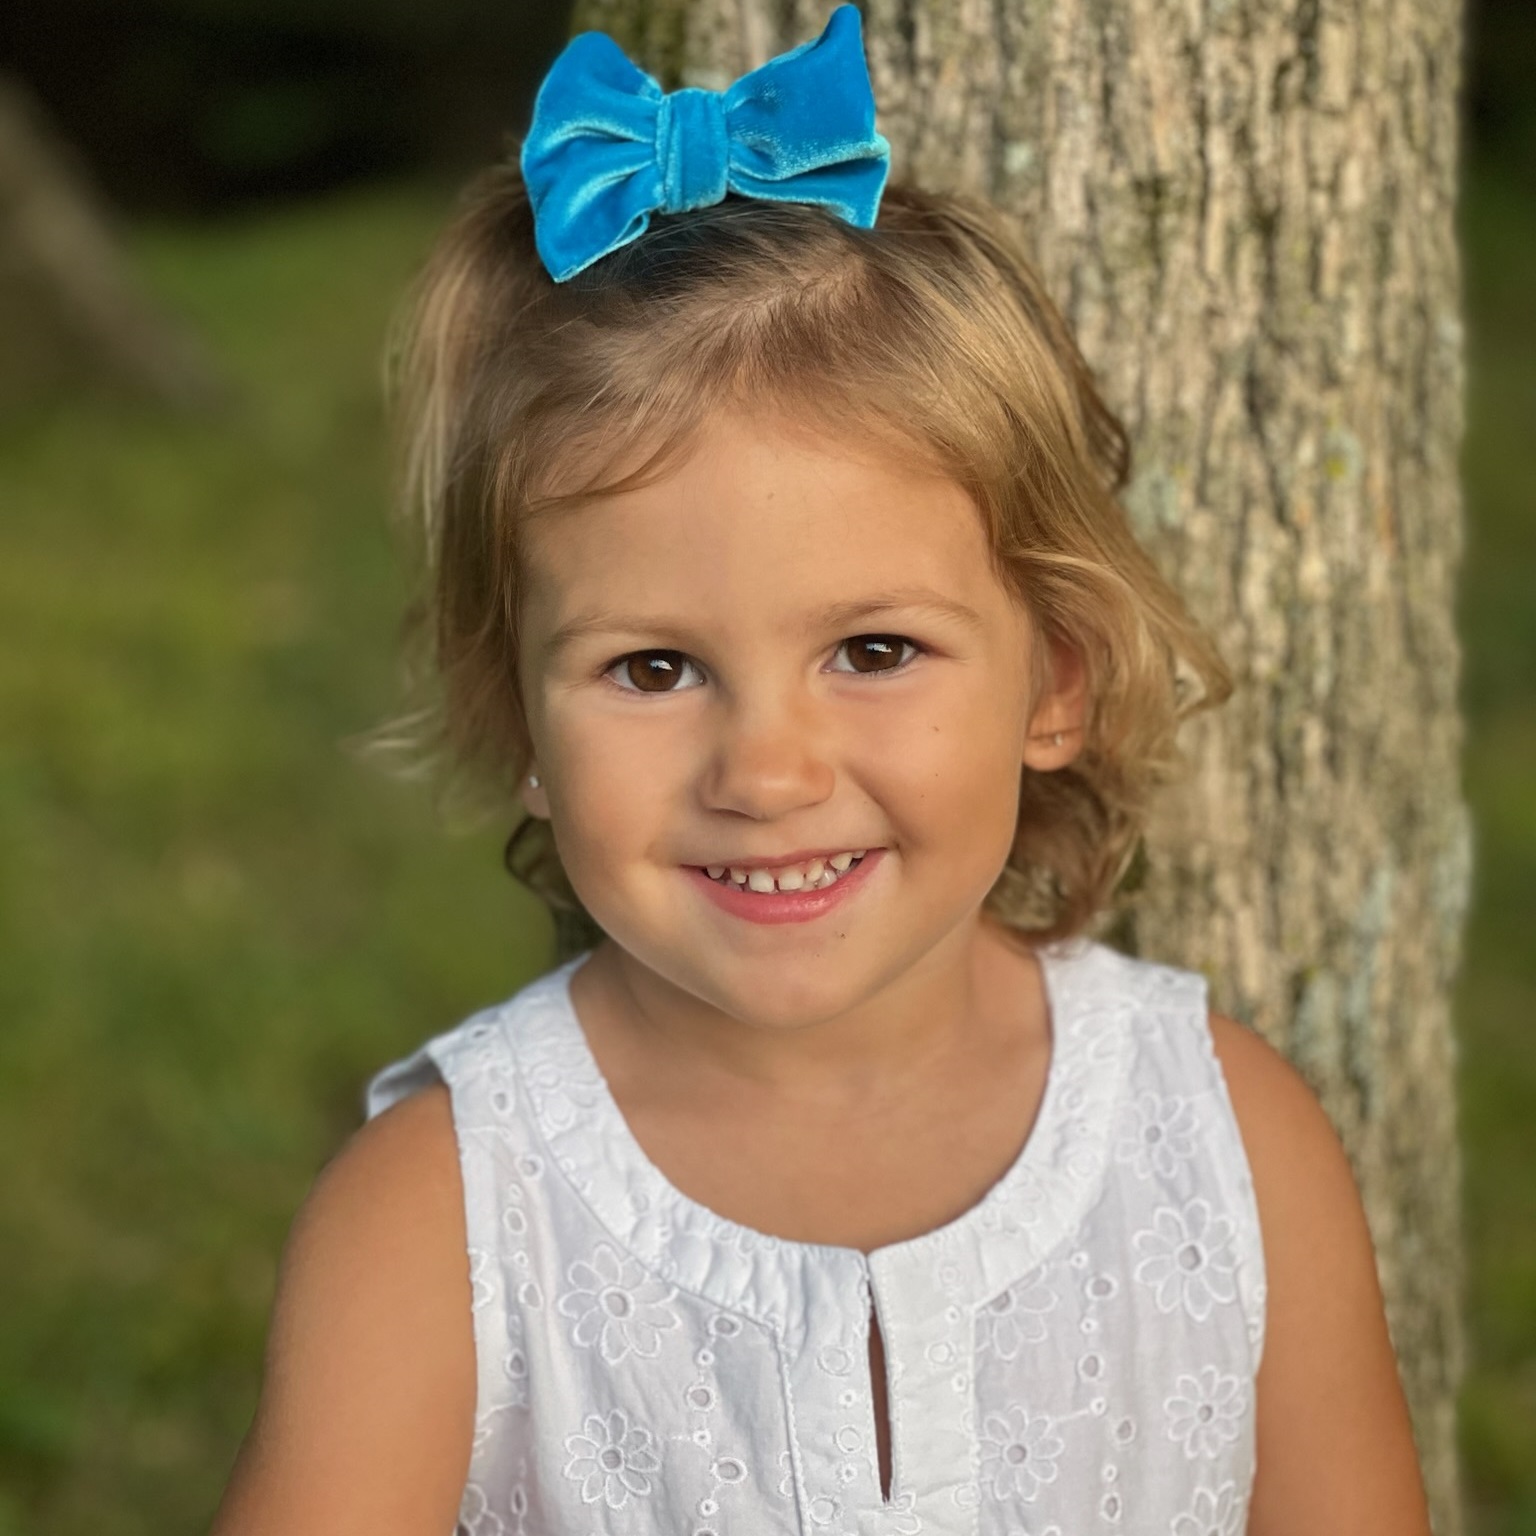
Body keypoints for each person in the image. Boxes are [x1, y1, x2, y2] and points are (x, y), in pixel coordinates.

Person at [209, 7, 1434, 1534]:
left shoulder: (1227, 1147)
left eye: (873, 649)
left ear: (1055, 677)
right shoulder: (439, 1219)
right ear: (519, 725)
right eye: (654, 669)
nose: (768, 773)